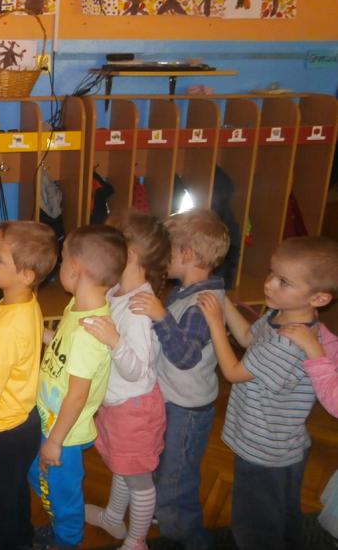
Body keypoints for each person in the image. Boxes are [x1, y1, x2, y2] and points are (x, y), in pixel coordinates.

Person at [199, 236, 338, 550]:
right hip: (284, 444)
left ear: (318, 298)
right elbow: (248, 338)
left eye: (283, 282)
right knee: (282, 515)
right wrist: (223, 304)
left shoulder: (285, 343)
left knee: (254, 526)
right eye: (271, 273)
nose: (269, 284)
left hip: (263, 450)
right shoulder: (281, 316)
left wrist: (215, 324)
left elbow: (233, 372)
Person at [129, 208, 229, 550]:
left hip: (187, 411)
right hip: (174, 401)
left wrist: (160, 316)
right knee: (166, 465)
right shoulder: (188, 291)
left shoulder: (201, 302)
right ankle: (166, 514)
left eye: (166, 252)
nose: (162, 259)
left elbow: (185, 357)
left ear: (187, 255)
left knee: (177, 479)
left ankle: (189, 536)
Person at [29, 225, 127, 550]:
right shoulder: (77, 307)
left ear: (74, 268)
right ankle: (58, 524)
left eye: (61, 261)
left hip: (64, 434)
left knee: (64, 496)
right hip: (51, 421)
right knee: (41, 478)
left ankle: (66, 540)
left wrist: (55, 441)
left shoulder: (89, 333)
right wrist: (37, 335)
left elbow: (78, 394)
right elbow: (62, 346)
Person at [0, 221, 58, 550]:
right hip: (22, 423)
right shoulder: (26, 302)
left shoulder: (8, 327)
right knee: (13, 491)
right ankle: (21, 540)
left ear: (26, 275)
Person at [81, 211, 171, 550]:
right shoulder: (118, 291)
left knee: (138, 480)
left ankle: (137, 541)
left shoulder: (138, 308)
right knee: (122, 465)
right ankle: (113, 518)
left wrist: (114, 340)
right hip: (118, 404)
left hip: (134, 409)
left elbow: (136, 369)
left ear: (129, 255)